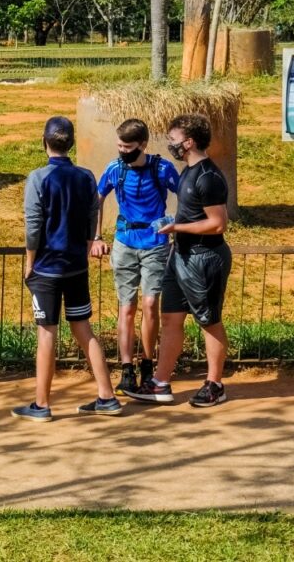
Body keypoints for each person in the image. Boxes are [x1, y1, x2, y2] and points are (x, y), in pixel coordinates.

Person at [12, 116, 122, 422]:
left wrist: (30, 262)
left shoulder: (38, 177)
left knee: (46, 333)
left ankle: (42, 404)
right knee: (84, 329)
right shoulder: (85, 176)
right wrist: (87, 245)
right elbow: (92, 214)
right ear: (71, 143)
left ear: (44, 142)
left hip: (46, 268)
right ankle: (107, 396)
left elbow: (34, 226)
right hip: (76, 266)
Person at [126, 113, 232, 408]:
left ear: (189, 142)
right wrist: (175, 223)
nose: (169, 144)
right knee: (171, 318)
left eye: (173, 139)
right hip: (181, 255)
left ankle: (215, 384)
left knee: (209, 321)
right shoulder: (187, 171)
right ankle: (160, 383)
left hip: (204, 257)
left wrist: (177, 227)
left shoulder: (208, 177)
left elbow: (218, 223)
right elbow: (194, 215)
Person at [91, 119, 179, 395]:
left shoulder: (162, 168)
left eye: (127, 147)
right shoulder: (114, 169)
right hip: (124, 243)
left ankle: (148, 364)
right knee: (126, 307)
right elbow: (97, 199)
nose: (122, 151)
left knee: (151, 304)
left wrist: (177, 225)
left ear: (143, 144)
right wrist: (97, 237)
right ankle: (127, 368)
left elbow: (187, 196)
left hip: (155, 243)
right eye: (119, 145)